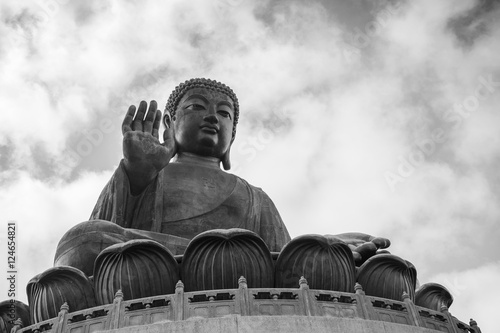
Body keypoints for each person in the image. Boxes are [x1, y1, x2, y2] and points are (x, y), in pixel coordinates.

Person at [55, 78, 291, 276]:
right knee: (83, 240)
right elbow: (98, 234)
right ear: (170, 122)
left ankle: (207, 259)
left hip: (232, 267)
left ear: (233, 136)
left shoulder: (256, 198)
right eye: (197, 107)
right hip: (152, 263)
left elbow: (286, 263)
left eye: (224, 113)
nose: (212, 117)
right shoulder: (149, 173)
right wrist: (138, 172)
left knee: (315, 255)